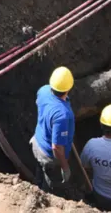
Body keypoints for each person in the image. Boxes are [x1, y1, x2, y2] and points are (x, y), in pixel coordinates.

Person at [30, 66, 75, 196]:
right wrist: (65, 167)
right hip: (49, 155)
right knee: (52, 184)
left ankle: (38, 183)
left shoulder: (43, 90)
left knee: (39, 170)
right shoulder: (62, 115)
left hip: (37, 142)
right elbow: (56, 148)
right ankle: (47, 193)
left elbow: (38, 103)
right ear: (68, 88)